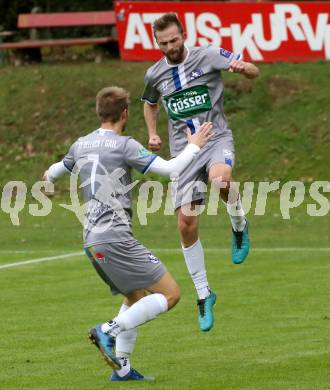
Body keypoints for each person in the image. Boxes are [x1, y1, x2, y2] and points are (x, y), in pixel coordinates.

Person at [43, 86, 213, 382]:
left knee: (136, 296)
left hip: (91, 240)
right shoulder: (124, 145)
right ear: (125, 113)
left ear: (99, 112)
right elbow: (171, 168)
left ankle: (121, 368)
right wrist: (195, 145)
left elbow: (54, 172)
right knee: (170, 294)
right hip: (116, 238)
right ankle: (107, 330)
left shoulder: (81, 144)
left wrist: (47, 176)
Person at [142, 13, 259, 332]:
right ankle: (204, 295)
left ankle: (238, 224)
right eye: (163, 43)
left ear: (183, 35)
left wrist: (242, 68)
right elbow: (149, 103)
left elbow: (253, 71)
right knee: (185, 224)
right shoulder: (155, 73)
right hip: (184, 152)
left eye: (174, 40)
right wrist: (153, 134)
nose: (170, 47)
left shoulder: (208, 55)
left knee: (221, 178)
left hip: (216, 137)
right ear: (157, 43)